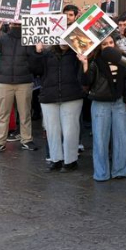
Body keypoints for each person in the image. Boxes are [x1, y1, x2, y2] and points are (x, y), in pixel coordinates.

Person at [83, 35, 126, 182]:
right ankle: (101, 173)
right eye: (105, 44)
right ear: (100, 46)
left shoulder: (123, 58)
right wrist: (85, 64)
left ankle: (121, 170)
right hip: (100, 103)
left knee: (122, 137)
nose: (109, 45)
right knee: (100, 139)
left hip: (119, 102)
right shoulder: (95, 60)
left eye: (111, 42)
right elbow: (86, 81)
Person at [30, 42, 86, 171]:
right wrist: (37, 53)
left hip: (71, 95)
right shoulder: (46, 53)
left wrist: (83, 60)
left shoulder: (77, 54)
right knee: (52, 131)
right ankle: (56, 160)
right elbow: (35, 70)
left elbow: (84, 76)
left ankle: (70, 161)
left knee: (70, 131)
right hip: (49, 96)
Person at [0, 18, 38, 153]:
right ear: (9, 23)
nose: (16, 25)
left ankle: (26, 139)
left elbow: (34, 61)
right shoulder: (3, 38)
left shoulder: (29, 38)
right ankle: (0, 142)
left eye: (18, 22)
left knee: (24, 113)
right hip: (6, 82)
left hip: (23, 81)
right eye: (14, 22)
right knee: (4, 114)